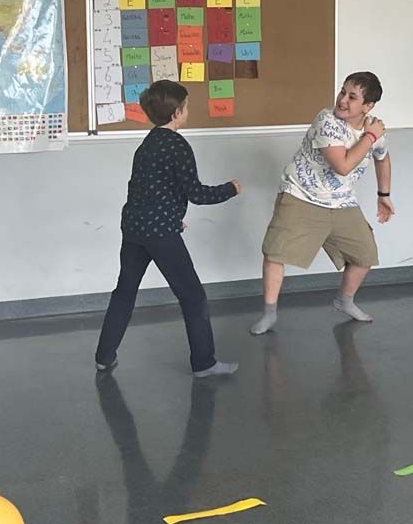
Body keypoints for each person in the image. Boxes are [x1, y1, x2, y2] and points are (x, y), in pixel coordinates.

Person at [95, 80, 241, 376]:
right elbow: (196, 193)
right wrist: (231, 189)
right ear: (176, 113)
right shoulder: (177, 145)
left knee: (125, 292)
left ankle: (104, 356)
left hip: (134, 227)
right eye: (186, 107)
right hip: (159, 233)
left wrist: (172, 216)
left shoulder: (147, 143)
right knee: (193, 296)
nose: (187, 111)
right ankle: (204, 363)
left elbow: (146, 189)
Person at [250, 71, 393, 335]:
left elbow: (382, 158)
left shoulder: (373, 129)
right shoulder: (327, 120)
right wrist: (370, 137)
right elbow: (343, 166)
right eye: (342, 92)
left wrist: (383, 195)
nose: (342, 100)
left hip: (342, 202)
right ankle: (269, 314)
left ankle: (344, 301)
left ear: (368, 106)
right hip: (301, 195)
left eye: (352, 97)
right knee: (275, 253)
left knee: (364, 256)